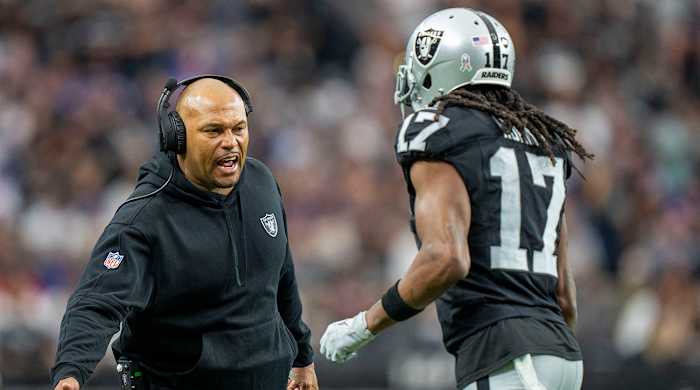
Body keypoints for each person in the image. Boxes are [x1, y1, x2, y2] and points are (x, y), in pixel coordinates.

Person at [320, 8, 591, 390]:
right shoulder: (542, 142)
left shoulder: (436, 130)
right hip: (561, 355)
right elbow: (563, 293)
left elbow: (447, 257)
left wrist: (365, 324)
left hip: (507, 357)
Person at [51, 75, 319, 390]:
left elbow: (281, 274)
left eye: (238, 128)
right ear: (177, 137)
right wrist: (70, 372)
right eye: (214, 130)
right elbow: (97, 301)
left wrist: (302, 356)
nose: (231, 141)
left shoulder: (261, 181)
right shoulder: (143, 219)